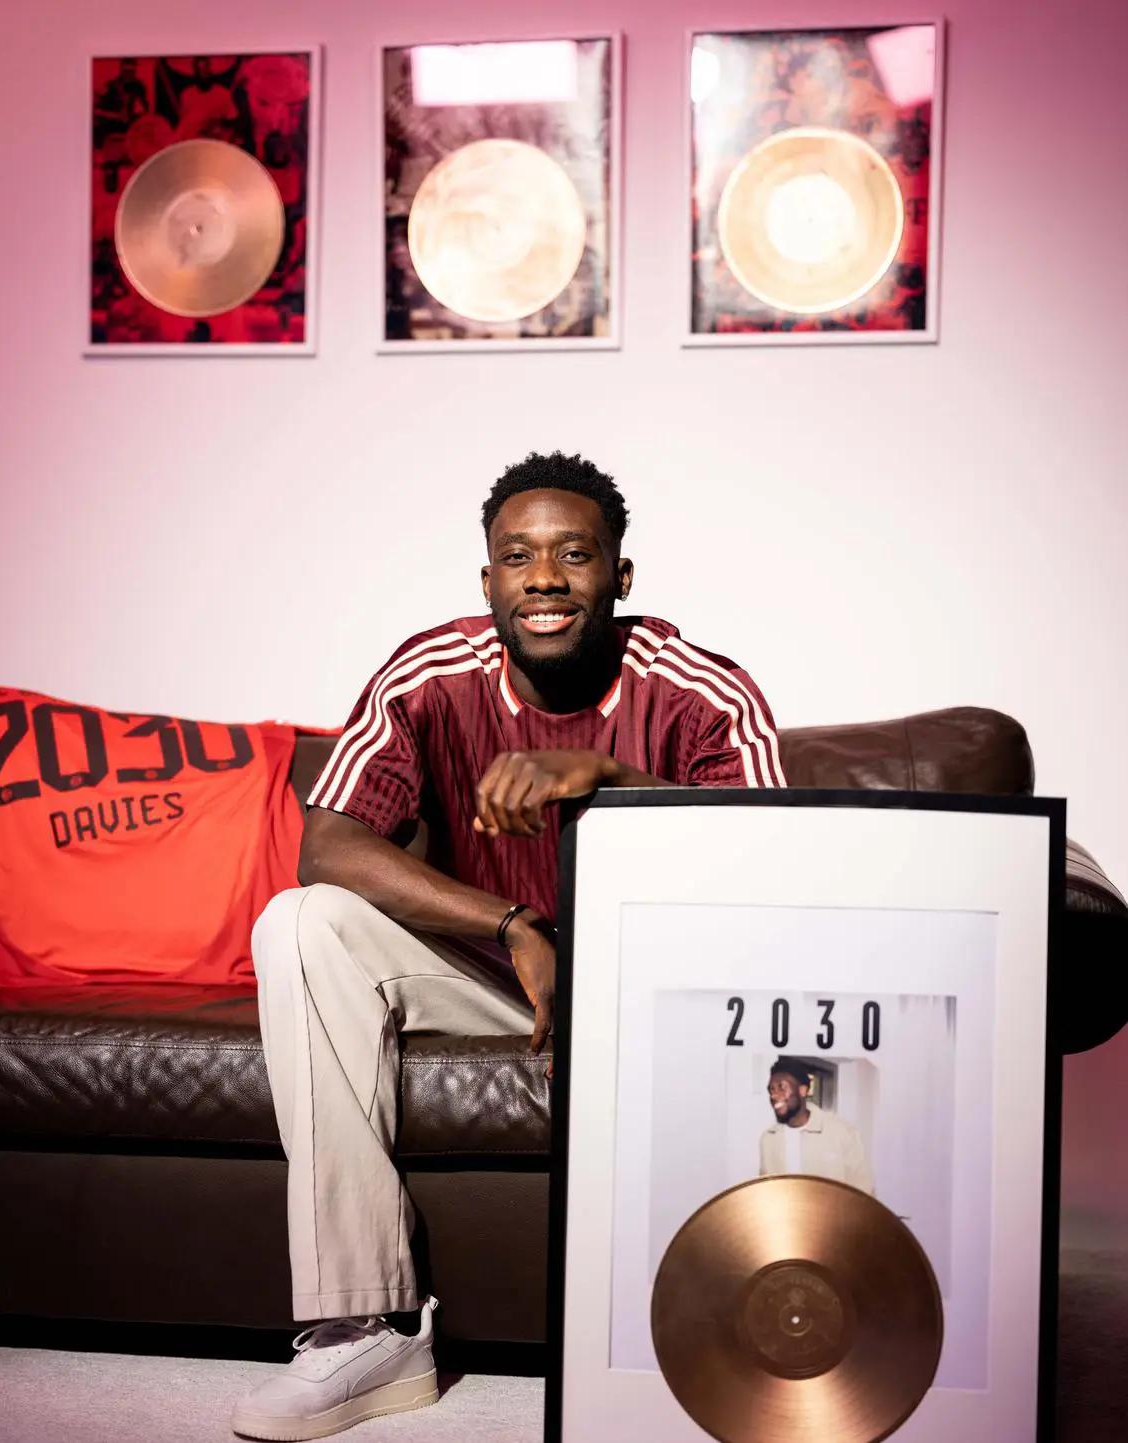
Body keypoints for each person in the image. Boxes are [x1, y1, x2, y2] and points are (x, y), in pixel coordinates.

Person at [232, 451, 786, 1440]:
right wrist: (510, 922)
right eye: (518, 557)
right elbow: (329, 844)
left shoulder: (703, 690)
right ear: (487, 580)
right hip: (503, 974)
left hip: (662, 986)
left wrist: (610, 780)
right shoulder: (429, 673)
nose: (544, 579)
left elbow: (779, 862)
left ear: (619, 575)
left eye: (574, 554)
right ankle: (366, 1328)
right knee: (301, 921)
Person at [759, 1057, 875, 1194]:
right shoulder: (768, 1139)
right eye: (771, 1090)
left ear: (803, 1091)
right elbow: (765, 1191)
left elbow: (864, 1193)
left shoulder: (842, 1132)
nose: (774, 1096)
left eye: (781, 1087)